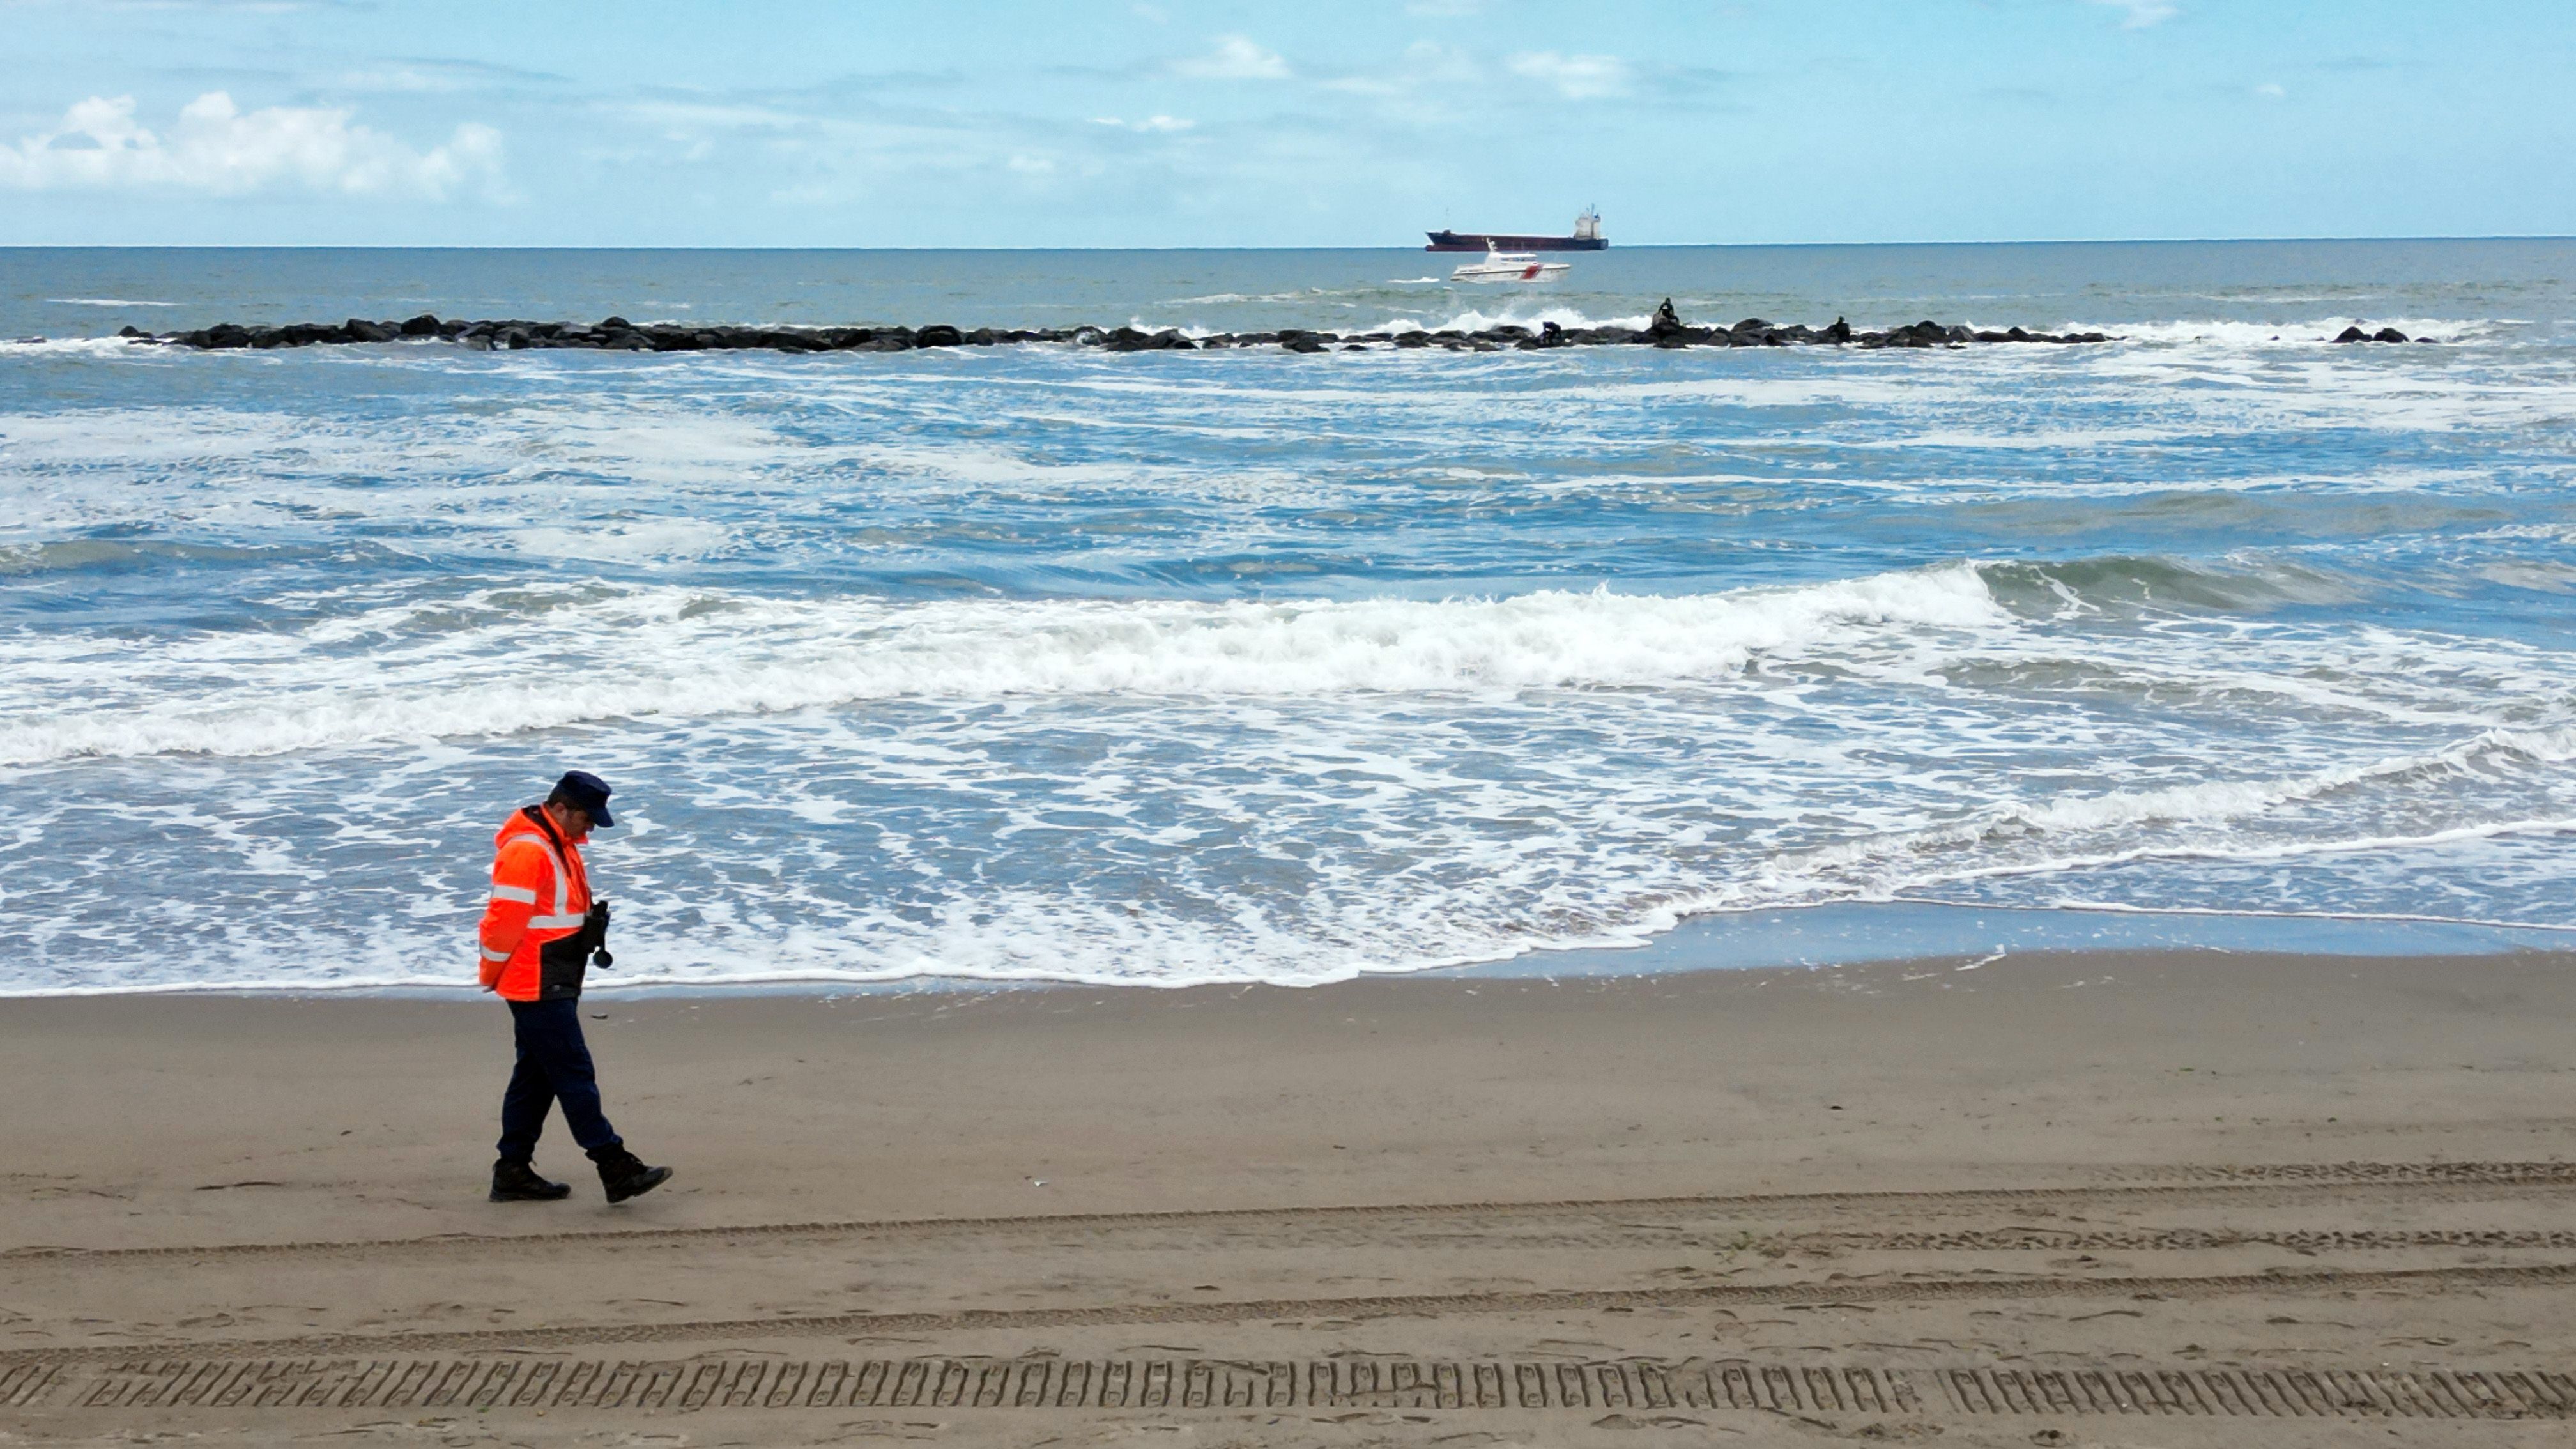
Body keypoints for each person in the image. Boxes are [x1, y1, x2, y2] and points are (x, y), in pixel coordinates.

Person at [477, 769, 673, 1204]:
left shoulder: (555, 843)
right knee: (573, 1073)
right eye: (587, 818)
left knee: (536, 1077)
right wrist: (492, 972)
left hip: (553, 975)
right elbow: (501, 924)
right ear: (560, 808)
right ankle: (613, 1164)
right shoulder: (529, 851)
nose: (591, 829)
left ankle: (512, 1171)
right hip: (536, 979)